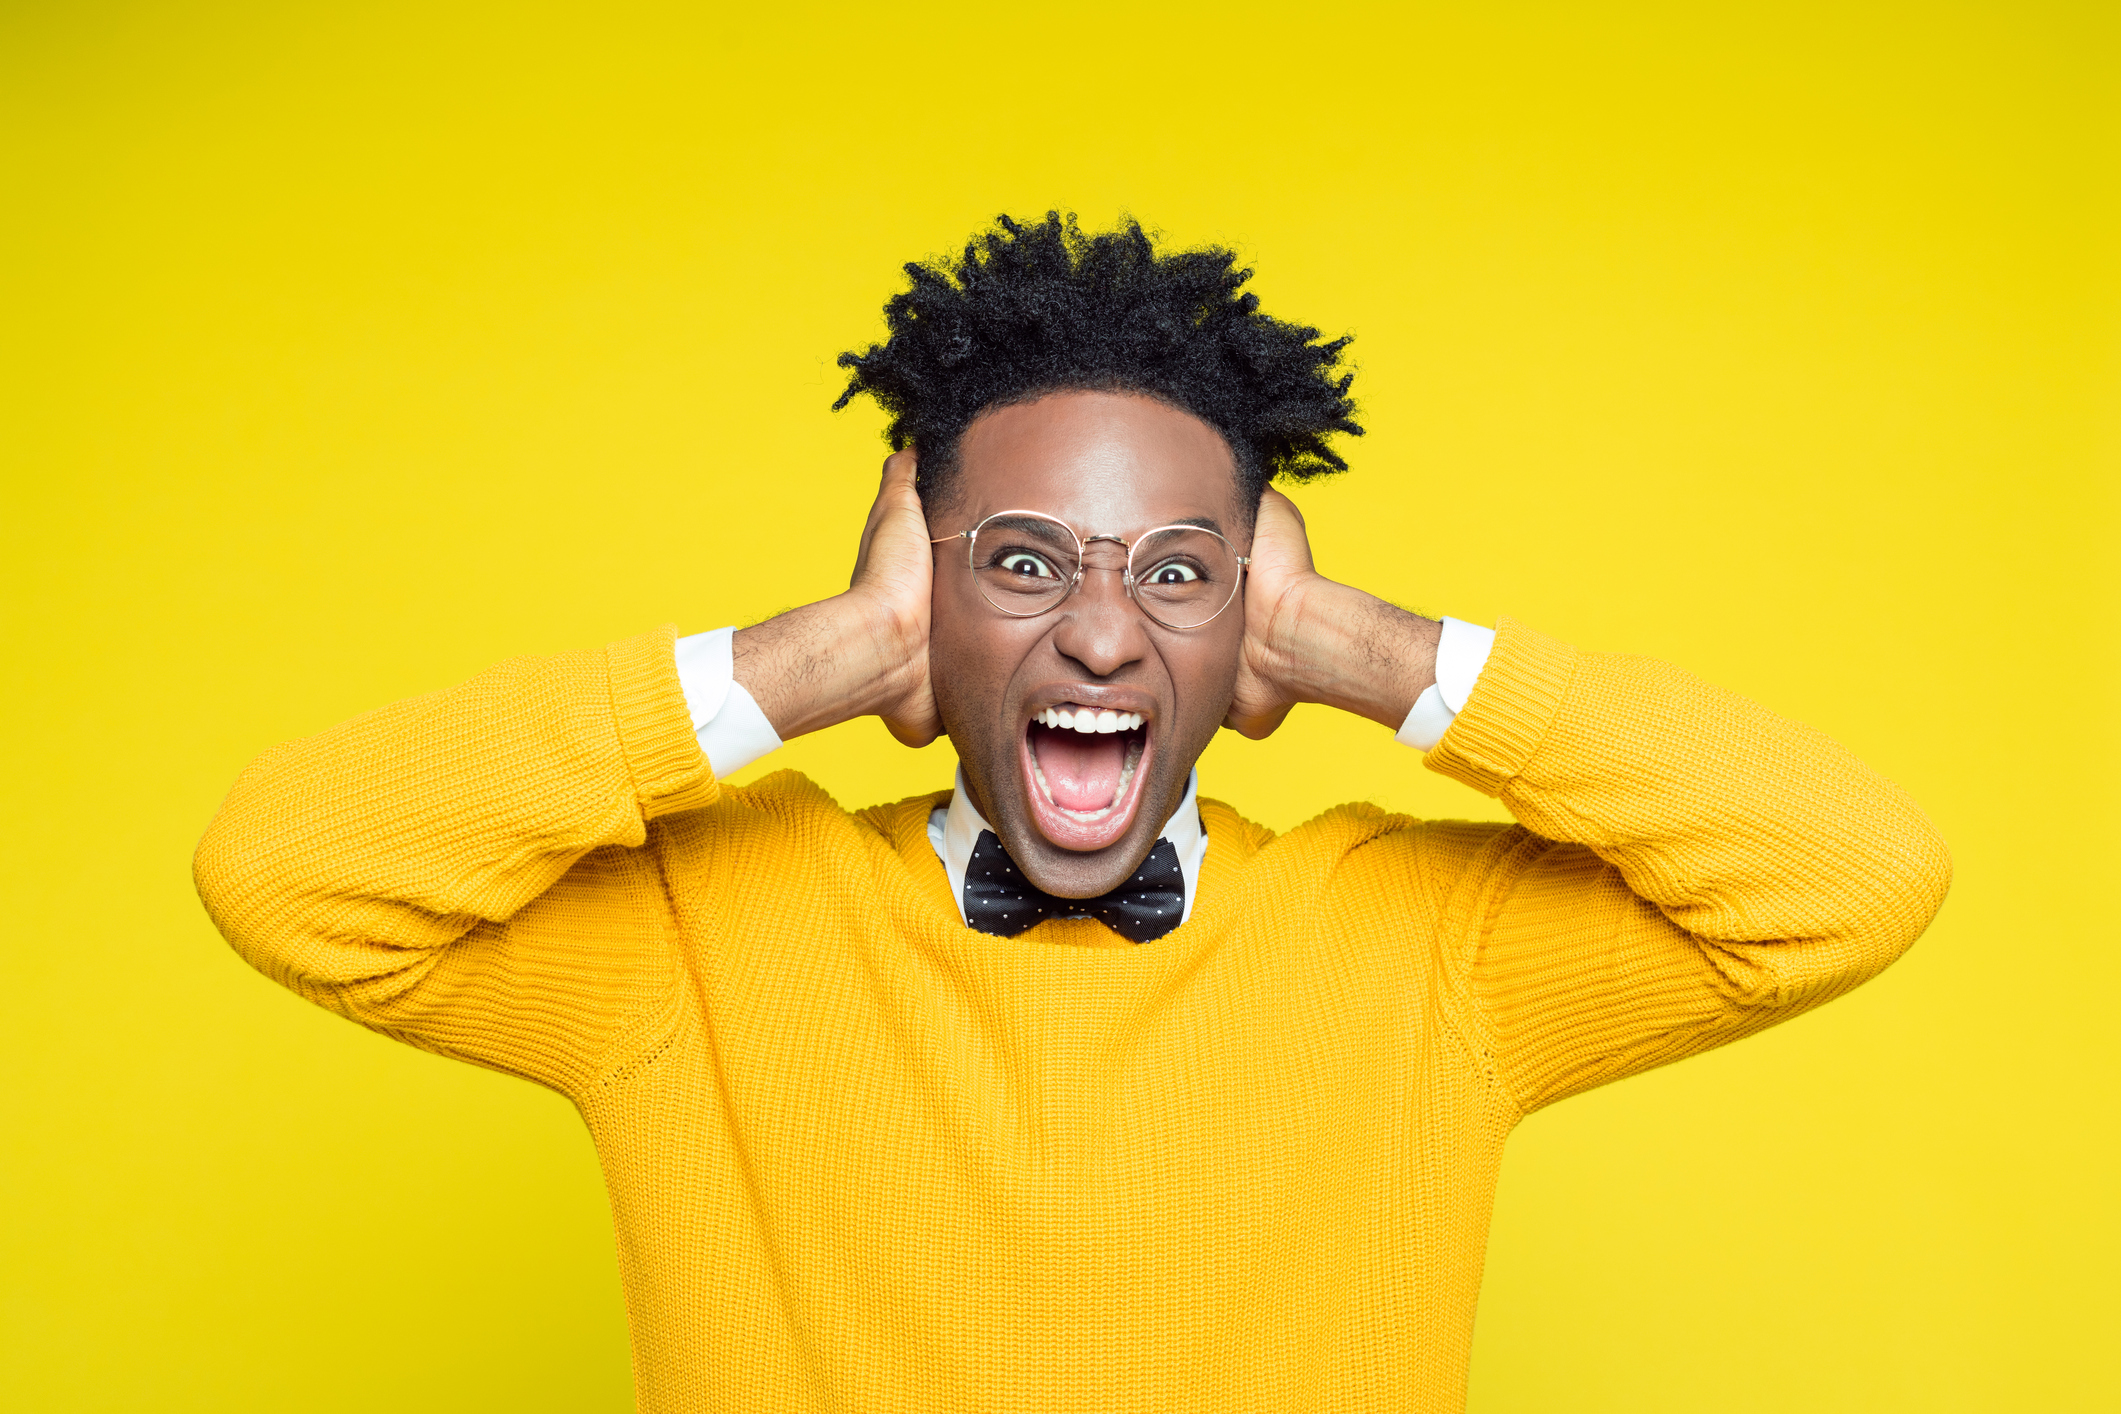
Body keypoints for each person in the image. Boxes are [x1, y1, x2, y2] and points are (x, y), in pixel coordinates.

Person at [195, 213, 1951, 1413]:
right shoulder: (703, 935)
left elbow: (1851, 873)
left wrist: (1346, 643)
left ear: (1244, 621)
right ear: (924, 598)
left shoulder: (1425, 955)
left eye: (1179, 574)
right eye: (1021, 564)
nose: (1103, 629)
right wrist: (827, 655)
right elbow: (286, 872)